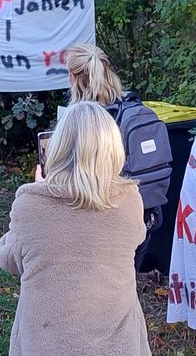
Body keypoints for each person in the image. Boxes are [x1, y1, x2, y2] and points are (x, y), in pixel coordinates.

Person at [0, 101, 161, 356]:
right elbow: (136, 238)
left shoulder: (31, 203)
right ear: (113, 148)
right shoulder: (129, 201)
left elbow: (7, 258)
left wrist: (43, 187)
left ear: (56, 148)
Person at [62, 43, 173, 269]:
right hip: (145, 213)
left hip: (106, 218)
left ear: (74, 78)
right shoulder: (132, 105)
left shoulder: (83, 122)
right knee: (126, 277)